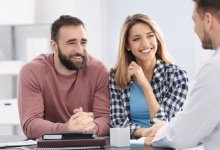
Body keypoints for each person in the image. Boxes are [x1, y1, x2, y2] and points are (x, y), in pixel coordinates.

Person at [143, 0, 220, 149]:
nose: (194, 29)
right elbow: (203, 125)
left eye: (194, 21)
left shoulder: (215, 68)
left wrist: (162, 131)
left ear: (208, 20)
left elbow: (183, 135)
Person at [18, 15, 110, 139]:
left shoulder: (98, 70)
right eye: (71, 43)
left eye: (83, 42)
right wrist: (68, 129)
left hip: (87, 143)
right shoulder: (31, 71)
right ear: (54, 45)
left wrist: (89, 126)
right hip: (50, 146)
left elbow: (106, 119)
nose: (80, 50)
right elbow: (31, 124)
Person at [109, 14, 189, 137]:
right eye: (136, 39)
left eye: (150, 36)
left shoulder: (177, 76)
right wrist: (145, 132)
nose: (145, 43)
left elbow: (164, 122)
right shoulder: (117, 77)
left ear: (157, 38)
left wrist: (145, 85)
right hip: (133, 143)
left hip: (166, 143)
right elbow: (118, 123)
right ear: (127, 46)